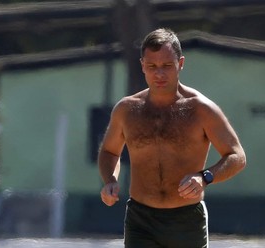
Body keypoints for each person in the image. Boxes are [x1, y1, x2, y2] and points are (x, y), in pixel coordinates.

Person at [98, 28, 247, 248]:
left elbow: (237, 156)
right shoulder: (127, 109)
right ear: (142, 66)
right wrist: (110, 180)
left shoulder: (201, 109)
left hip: (186, 219)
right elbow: (109, 151)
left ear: (181, 63)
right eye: (152, 67)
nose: (159, 74)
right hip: (141, 219)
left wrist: (204, 177)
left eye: (167, 66)